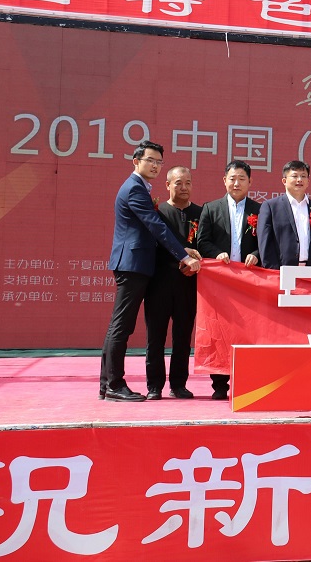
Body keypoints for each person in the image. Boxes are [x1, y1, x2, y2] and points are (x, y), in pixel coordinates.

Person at [99, 141, 201, 403]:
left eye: (158, 162)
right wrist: (183, 256)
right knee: (121, 326)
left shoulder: (140, 187)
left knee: (119, 326)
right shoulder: (135, 188)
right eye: (150, 160)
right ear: (136, 161)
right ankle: (114, 384)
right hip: (132, 263)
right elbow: (155, 225)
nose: (155, 166)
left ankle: (107, 384)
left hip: (136, 264)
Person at [196, 159, 260, 400]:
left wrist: (256, 254)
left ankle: (246, 381)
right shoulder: (211, 208)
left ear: (250, 182)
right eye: (232, 178)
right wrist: (216, 254)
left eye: (242, 179)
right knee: (220, 330)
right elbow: (202, 241)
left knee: (248, 330)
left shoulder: (260, 210)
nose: (236, 183)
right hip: (221, 282)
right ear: (224, 180)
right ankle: (220, 385)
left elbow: (267, 242)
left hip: (248, 281)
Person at [143, 166, 201, 400]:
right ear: (168, 185)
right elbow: (153, 245)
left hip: (188, 284)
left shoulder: (200, 213)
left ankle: (178, 384)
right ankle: (154, 386)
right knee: (155, 337)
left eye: (188, 183)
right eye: (178, 183)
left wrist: (195, 262)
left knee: (183, 337)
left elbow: (204, 246)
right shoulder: (157, 212)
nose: (184, 187)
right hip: (159, 284)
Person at [258, 160, 311, 269]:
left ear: (308, 181)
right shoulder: (271, 207)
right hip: (282, 271)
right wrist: (273, 271)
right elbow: (265, 242)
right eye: (295, 176)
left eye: (303, 176)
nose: (299, 180)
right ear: (284, 181)